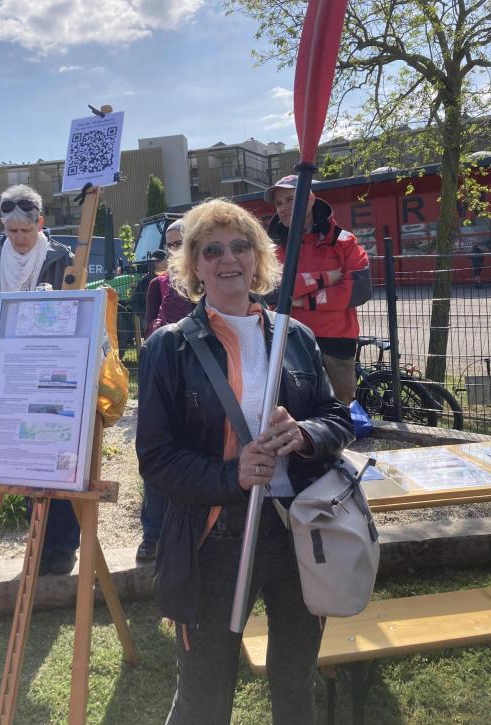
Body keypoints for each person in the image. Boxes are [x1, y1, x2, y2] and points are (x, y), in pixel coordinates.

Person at [136, 199, 353, 724]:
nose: (227, 259)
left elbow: (337, 419)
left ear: (259, 257)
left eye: (240, 246)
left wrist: (303, 433)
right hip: (214, 539)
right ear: (193, 265)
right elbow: (157, 460)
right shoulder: (170, 348)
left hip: (297, 529)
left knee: (295, 681)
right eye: (211, 250)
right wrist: (230, 474)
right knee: (204, 694)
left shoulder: (293, 336)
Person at [0, 185, 79, 577]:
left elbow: (73, 309)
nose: (18, 239)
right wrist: (14, 327)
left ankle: (63, 543)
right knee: (23, 456)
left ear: (41, 225)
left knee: (57, 449)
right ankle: (36, 543)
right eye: (11, 231)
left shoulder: (62, 257)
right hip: (7, 370)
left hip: (53, 369)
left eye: (26, 231)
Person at [265, 174, 372, 405]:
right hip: (287, 340)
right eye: (278, 203)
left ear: (310, 199)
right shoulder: (270, 250)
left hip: (336, 343)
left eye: (290, 199)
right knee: (292, 410)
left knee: (340, 411)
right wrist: (324, 278)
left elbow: (360, 290)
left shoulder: (345, 241)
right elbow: (269, 290)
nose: (283, 208)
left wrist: (303, 300)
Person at [136, 221, 193, 561]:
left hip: (201, 383)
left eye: (181, 243)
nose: (174, 251)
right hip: (162, 379)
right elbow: (150, 335)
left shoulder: (213, 281)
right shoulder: (159, 285)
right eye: (170, 245)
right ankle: (153, 535)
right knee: (156, 456)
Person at [130, 249, 168, 333]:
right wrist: (147, 314)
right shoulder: (143, 282)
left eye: (158, 261)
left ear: (165, 262)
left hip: (170, 322)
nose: (155, 264)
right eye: (152, 261)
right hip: (151, 324)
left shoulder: (173, 279)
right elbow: (135, 303)